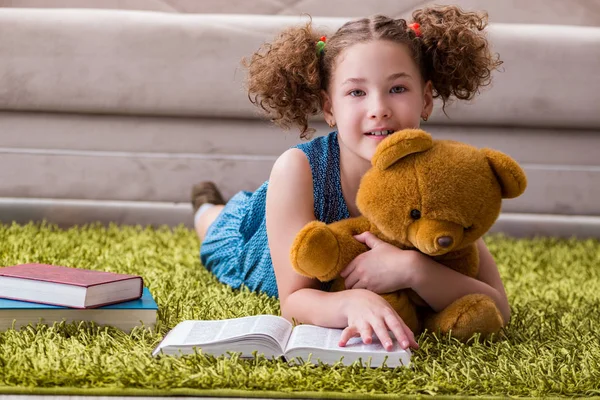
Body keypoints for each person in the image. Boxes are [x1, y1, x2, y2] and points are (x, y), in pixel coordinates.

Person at [190, 5, 510, 352]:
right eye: (357, 92)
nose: (379, 108)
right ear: (329, 108)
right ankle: (206, 204)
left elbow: (499, 306)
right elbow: (294, 300)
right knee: (216, 225)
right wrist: (352, 302)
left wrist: (414, 270)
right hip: (251, 244)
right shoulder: (297, 169)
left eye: (398, 89)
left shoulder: (439, 172)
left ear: (426, 99)